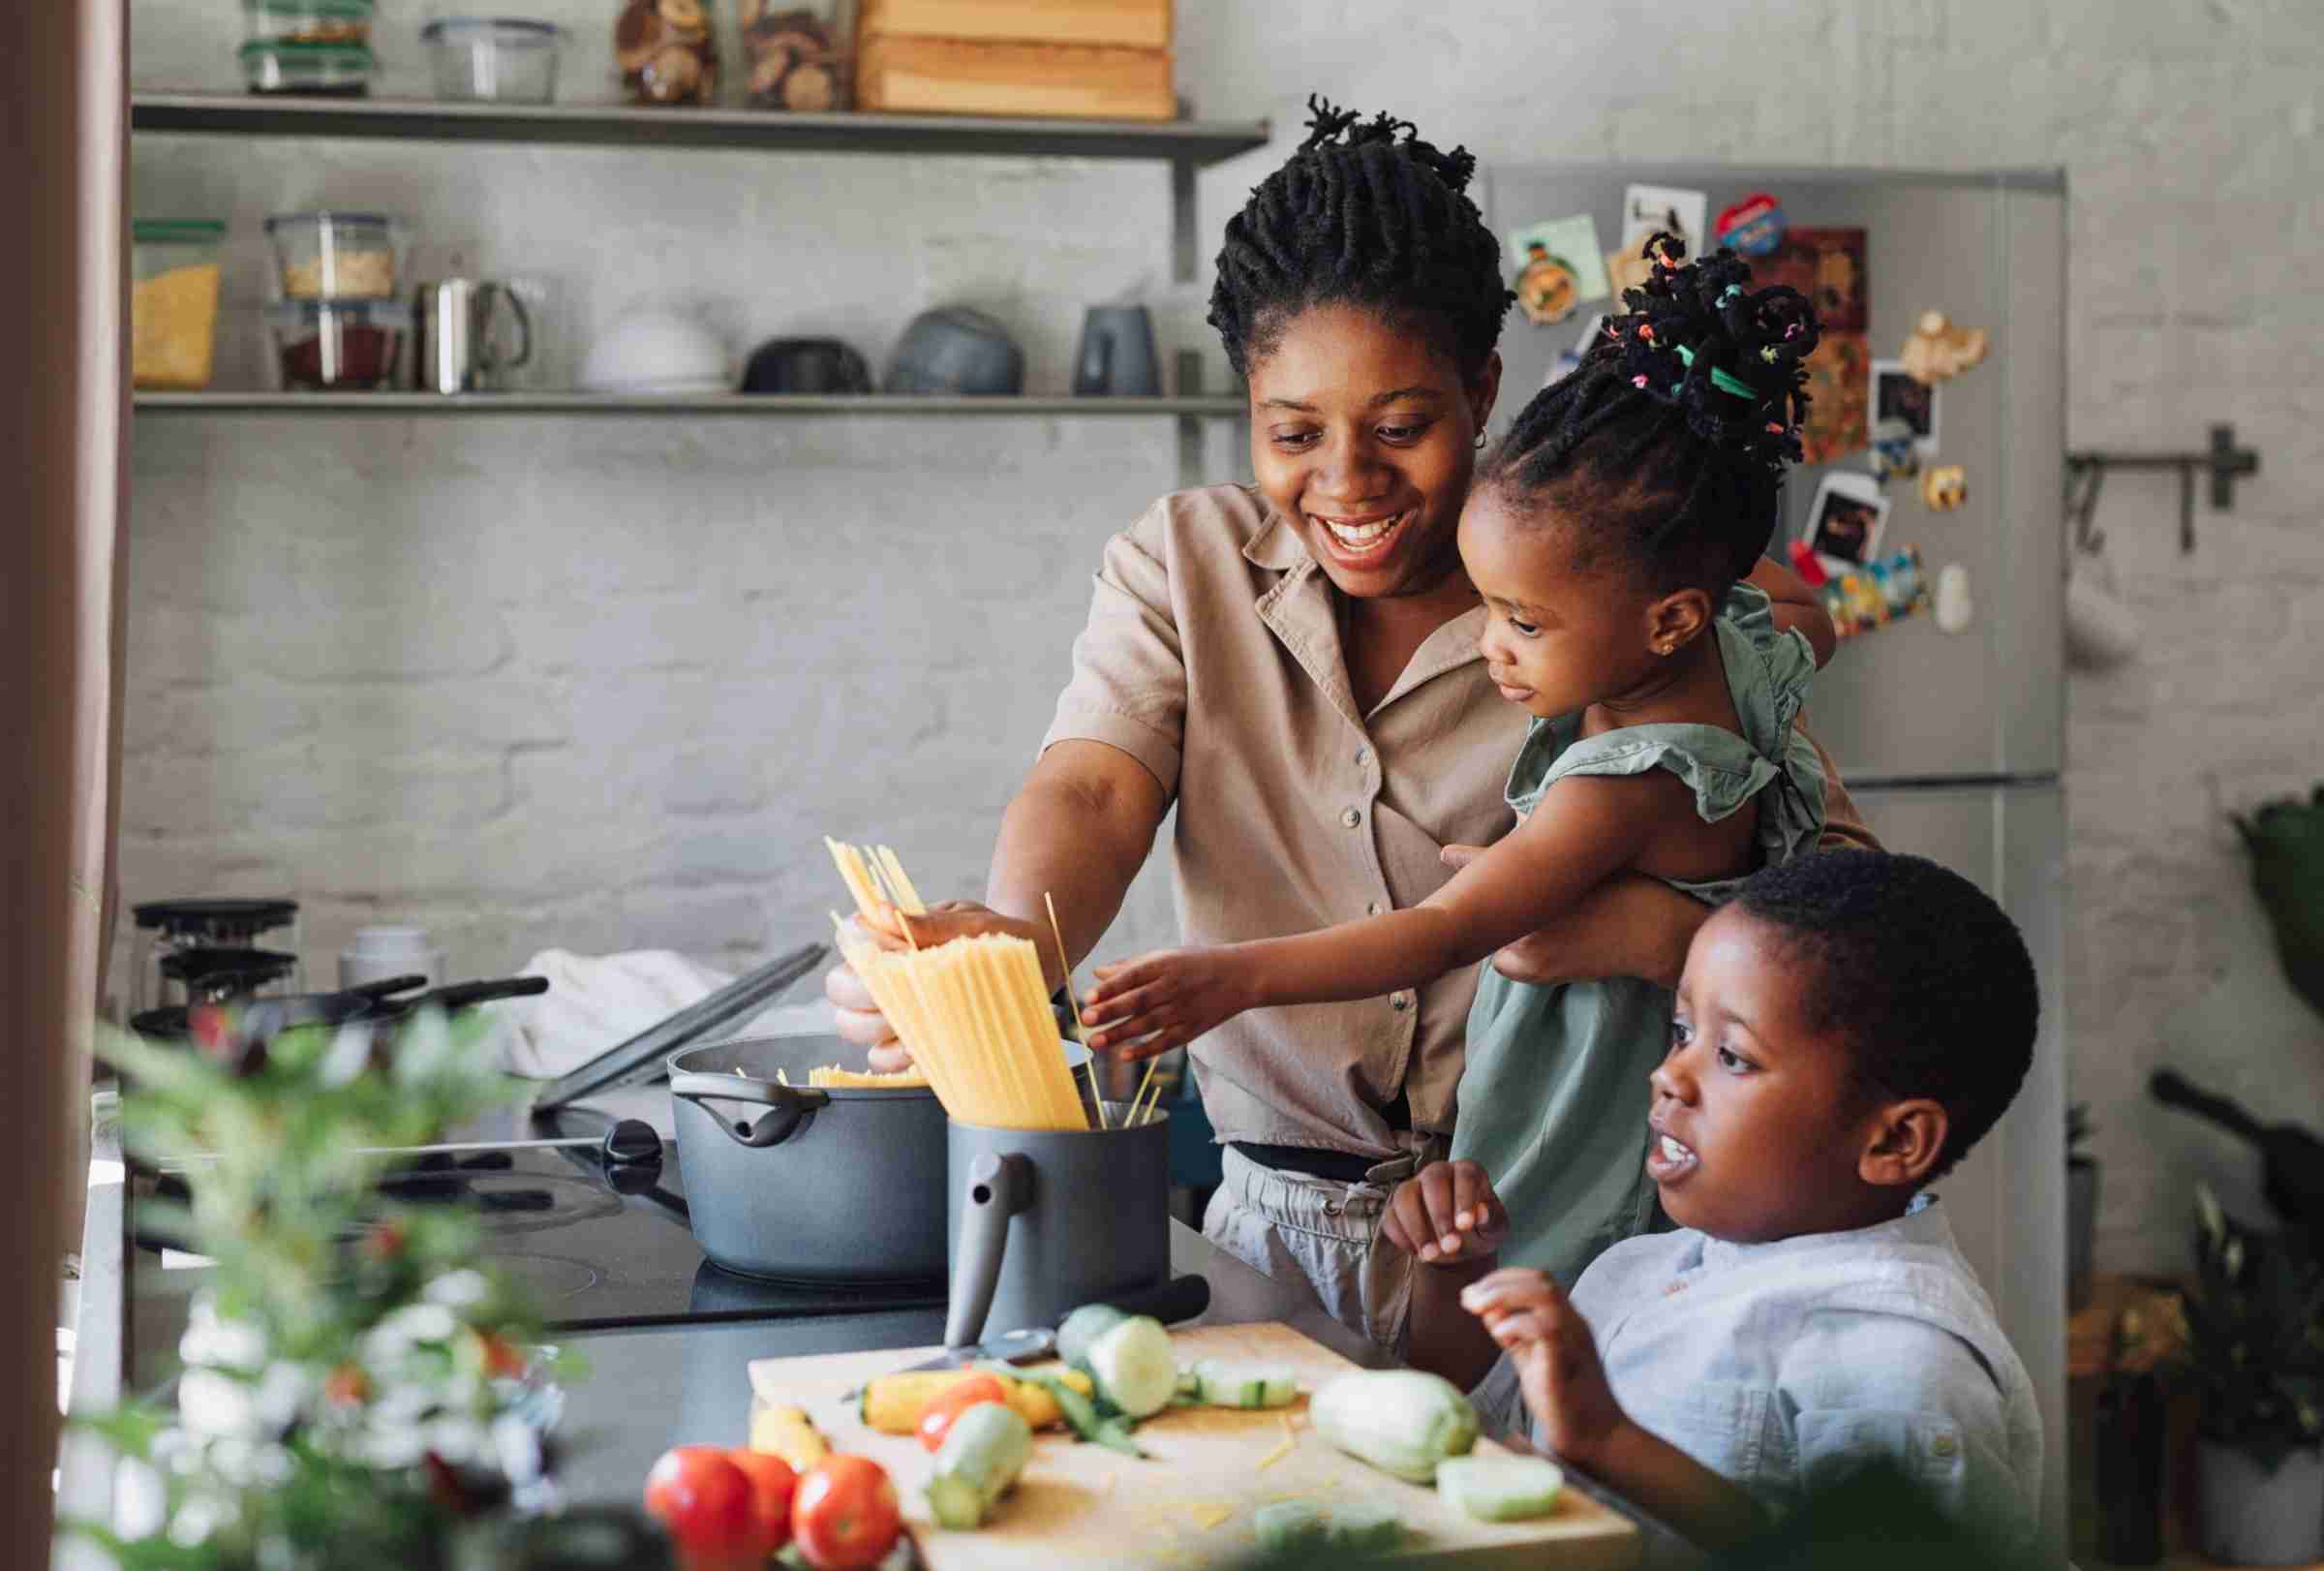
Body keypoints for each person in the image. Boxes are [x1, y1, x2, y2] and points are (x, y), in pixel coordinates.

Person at [825, 101, 1879, 1349]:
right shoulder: (1184, 563)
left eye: (1400, 427)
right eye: (1293, 434)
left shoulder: (1616, 598)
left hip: (1574, 1226)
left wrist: (1652, 935)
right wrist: (1009, 949)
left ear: (1481, 388)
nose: (1347, 482)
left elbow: (1848, 911)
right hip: (1273, 1232)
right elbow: (1094, 792)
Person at [1083, 234, 1835, 1294]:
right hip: (1343, 1200)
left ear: (1480, 391)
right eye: (1293, 429)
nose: (1494, 647)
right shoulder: (1724, 652)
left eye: (1520, 621)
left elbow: (1443, 931)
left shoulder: (1620, 772)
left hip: (1546, 1184)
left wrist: (1232, 974)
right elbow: (1808, 610)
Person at [1394, 852, 2044, 1552]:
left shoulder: (1899, 1366)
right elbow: (1488, 1427)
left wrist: (1610, 1443)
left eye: (1732, 1056)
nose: (1669, 1074)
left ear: (1895, 1142)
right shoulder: (1641, 1270)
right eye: (1681, 1032)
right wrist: (1454, 1267)